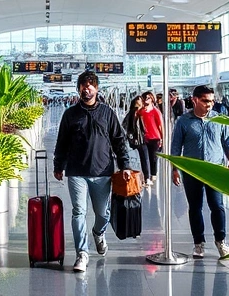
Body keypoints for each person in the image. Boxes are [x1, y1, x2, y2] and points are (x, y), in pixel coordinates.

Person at [54, 71, 133, 273]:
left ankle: (98, 233)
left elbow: (119, 141)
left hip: (103, 172)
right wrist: (58, 165)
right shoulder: (70, 114)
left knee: (103, 213)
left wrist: (124, 166)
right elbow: (62, 142)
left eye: (90, 85)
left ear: (96, 89)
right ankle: (82, 253)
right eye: (83, 85)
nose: (86, 88)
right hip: (76, 172)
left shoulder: (107, 113)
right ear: (78, 89)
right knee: (78, 211)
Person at [170, 85, 229, 259]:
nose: (210, 104)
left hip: (215, 170)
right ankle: (198, 243)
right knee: (195, 207)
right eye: (206, 101)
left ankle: (221, 240)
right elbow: (176, 146)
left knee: (217, 206)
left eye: (212, 101)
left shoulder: (220, 119)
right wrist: (175, 169)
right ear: (195, 100)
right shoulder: (183, 121)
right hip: (192, 172)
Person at [122, 96, 150, 185]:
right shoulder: (131, 113)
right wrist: (129, 135)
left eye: (140, 101)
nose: (139, 103)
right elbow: (124, 125)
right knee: (138, 158)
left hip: (143, 139)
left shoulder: (143, 113)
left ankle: (147, 177)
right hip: (135, 139)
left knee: (145, 158)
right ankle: (140, 176)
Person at [137, 91, 163, 186]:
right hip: (143, 138)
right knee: (145, 158)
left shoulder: (156, 111)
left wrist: (162, 139)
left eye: (149, 97)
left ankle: (153, 174)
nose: (146, 99)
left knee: (153, 158)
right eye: (145, 98)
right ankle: (146, 177)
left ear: (152, 99)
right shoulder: (140, 111)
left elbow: (161, 126)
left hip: (155, 138)